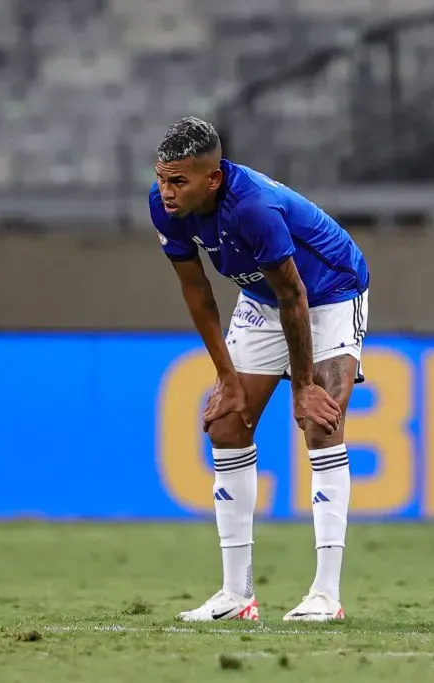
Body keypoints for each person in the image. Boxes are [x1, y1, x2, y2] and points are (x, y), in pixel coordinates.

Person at [149, 117, 369, 623]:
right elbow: (196, 292)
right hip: (263, 299)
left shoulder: (253, 208)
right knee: (227, 423)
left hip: (330, 292)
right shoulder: (165, 206)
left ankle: (325, 594)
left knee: (320, 422)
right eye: (161, 178)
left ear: (213, 178)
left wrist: (303, 387)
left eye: (178, 181)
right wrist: (227, 378)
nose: (167, 191)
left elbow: (296, 296)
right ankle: (236, 594)